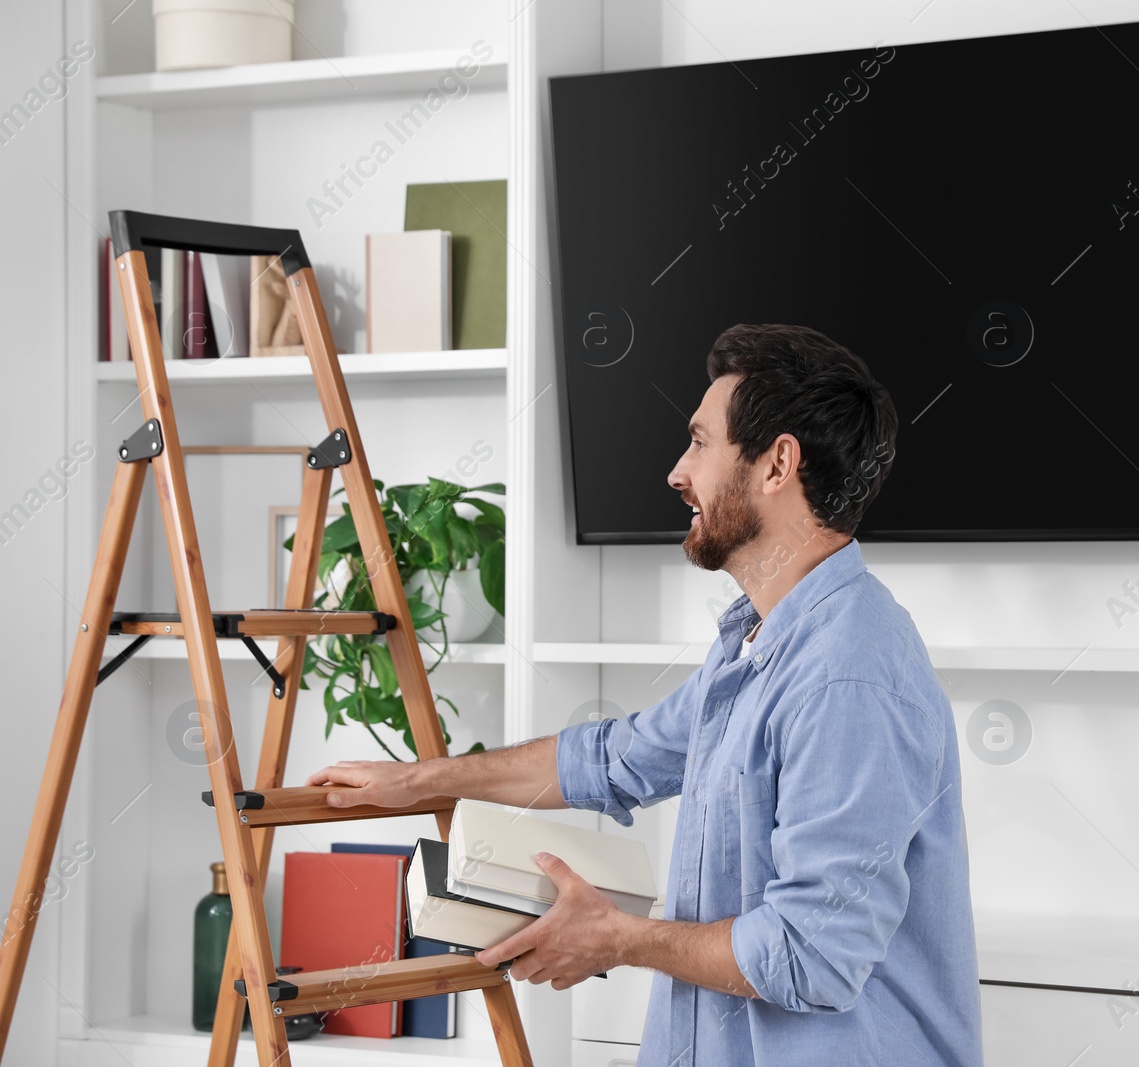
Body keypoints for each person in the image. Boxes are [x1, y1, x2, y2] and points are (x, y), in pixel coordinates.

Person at [306, 323, 982, 1066]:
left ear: (777, 463)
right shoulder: (755, 643)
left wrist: (619, 937)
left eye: (700, 442)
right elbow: (614, 759)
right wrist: (416, 782)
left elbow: (810, 953)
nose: (676, 471)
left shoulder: (847, 671)